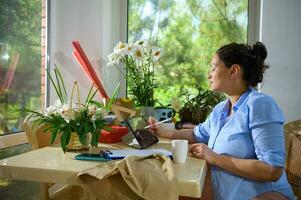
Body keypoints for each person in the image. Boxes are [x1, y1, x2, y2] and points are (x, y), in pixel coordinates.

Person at [149, 42, 294, 200]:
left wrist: (215, 158)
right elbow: (198, 134)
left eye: (213, 67)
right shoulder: (220, 110)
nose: (209, 74)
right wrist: (164, 132)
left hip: (265, 195)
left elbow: (272, 170)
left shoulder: (259, 104)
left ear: (234, 71)